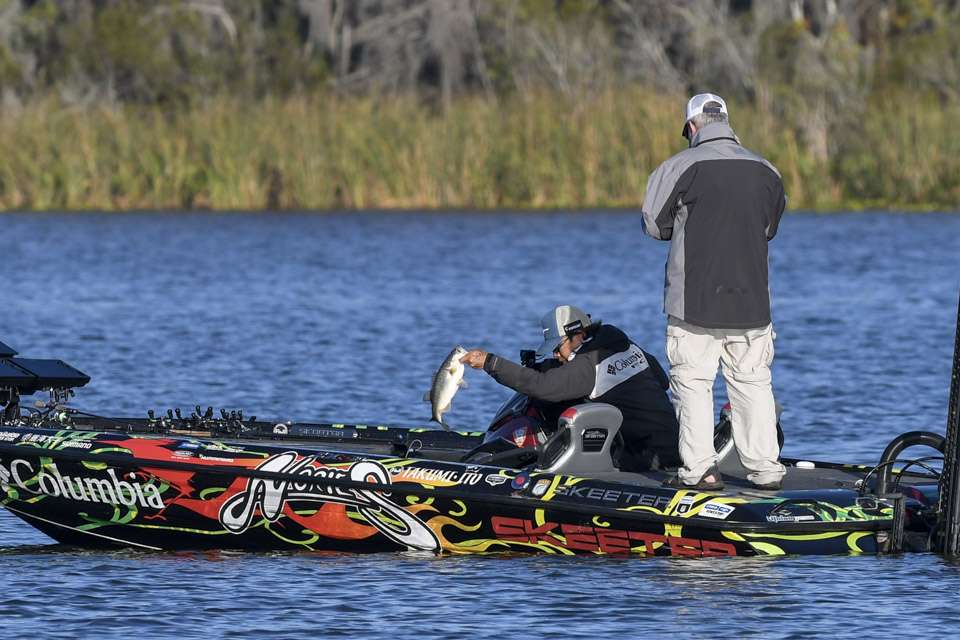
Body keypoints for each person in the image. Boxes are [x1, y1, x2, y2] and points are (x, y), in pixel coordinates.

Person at [641, 92, 787, 491]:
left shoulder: (677, 166)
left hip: (694, 304)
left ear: (691, 127)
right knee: (753, 382)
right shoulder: (767, 170)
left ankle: (701, 471)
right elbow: (769, 227)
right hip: (752, 304)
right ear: (726, 120)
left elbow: (654, 225)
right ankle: (766, 469)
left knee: (693, 384)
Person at [460, 305, 681, 472]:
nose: (556, 355)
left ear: (577, 335)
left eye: (557, 348)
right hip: (674, 446)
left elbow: (543, 387)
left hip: (645, 459)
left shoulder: (589, 364)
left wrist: (491, 363)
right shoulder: (626, 346)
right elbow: (662, 381)